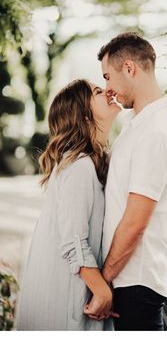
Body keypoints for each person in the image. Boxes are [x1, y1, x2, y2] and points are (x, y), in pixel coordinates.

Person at [85, 32, 167, 330]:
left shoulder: (155, 132)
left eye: (108, 77)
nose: (108, 89)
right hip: (126, 278)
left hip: (136, 281)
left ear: (129, 68)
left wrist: (104, 282)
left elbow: (135, 223)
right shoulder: (136, 125)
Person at [17, 79, 120, 330]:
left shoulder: (93, 161)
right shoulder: (79, 166)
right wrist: (103, 292)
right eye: (97, 91)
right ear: (84, 115)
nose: (107, 91)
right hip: (65, 297)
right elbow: (73, 241)